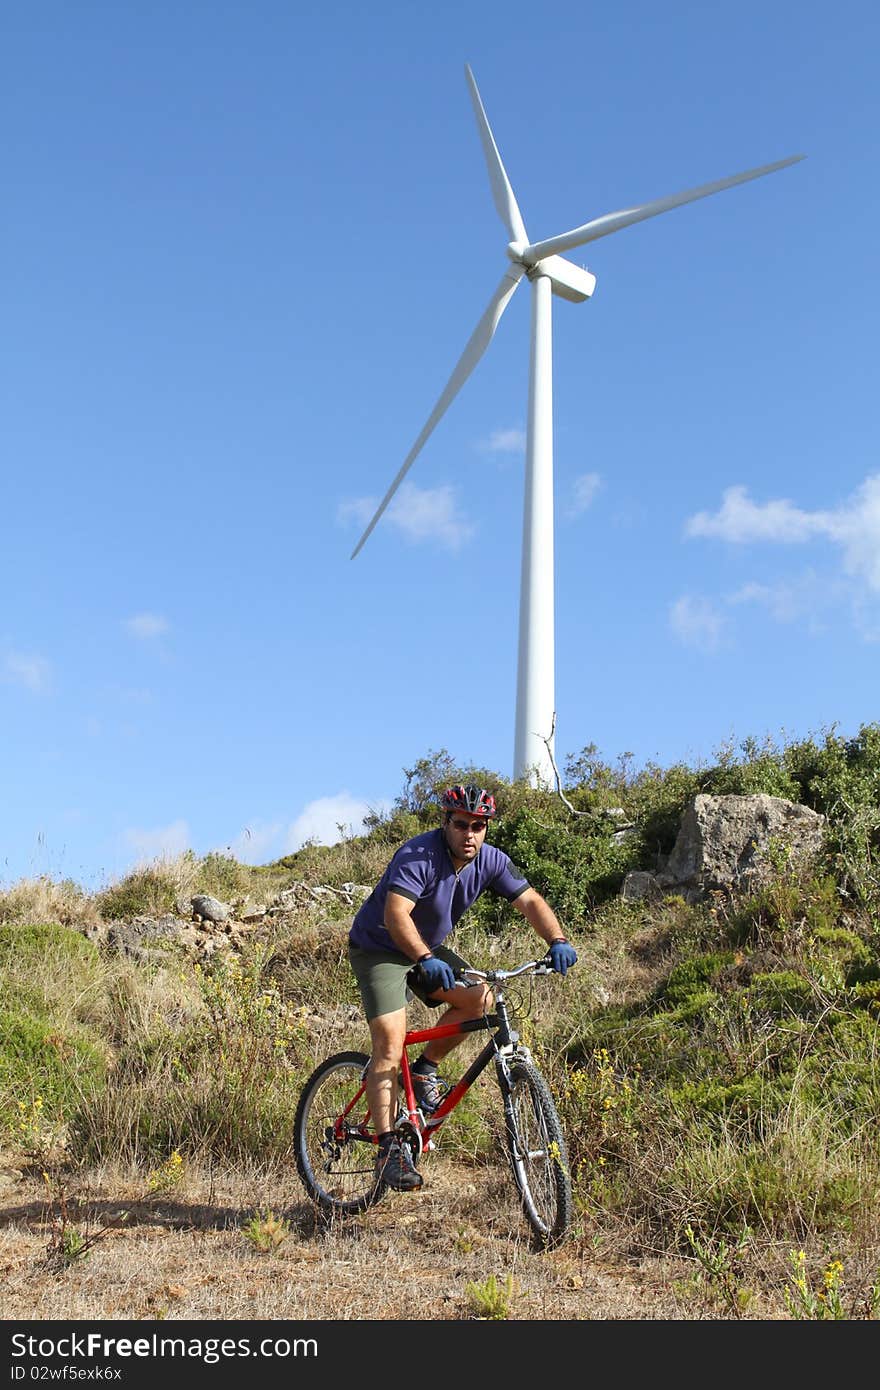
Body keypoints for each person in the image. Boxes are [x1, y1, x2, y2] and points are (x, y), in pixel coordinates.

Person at [347, 783, 577, 1191]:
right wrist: (423, 959)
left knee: (480, 999)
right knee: (390, 1040)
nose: (469, 834)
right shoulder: (418, 856)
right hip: (380, 948)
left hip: (427, 950)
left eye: (479, 826)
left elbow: (531, 902)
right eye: (461, 824)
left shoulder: (490, 860)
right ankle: (387, 1150)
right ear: (445, 822)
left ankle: (423, 1071)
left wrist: (557, 940)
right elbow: (397, 914)